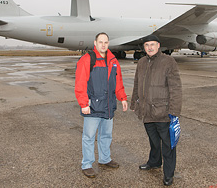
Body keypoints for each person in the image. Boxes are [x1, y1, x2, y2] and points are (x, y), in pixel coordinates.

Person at [130, 35, 182, 186]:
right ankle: (154, 162)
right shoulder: (141, 62)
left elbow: (175, 87)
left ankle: (168, 173)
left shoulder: (168, 61)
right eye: (147, 45)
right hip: (146, 111)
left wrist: (174, 110)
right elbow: (136, 84)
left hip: (163, 112)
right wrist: (134, 103)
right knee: (153, 141)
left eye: (152, 44)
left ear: (158, 45)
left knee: (168, 145)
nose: (150, 47)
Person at [75, 32, 128, 178]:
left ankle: (105, 159)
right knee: (89, 136)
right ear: (95, 43)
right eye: (100, 42)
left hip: (109, 105)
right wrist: (83, 103)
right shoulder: (87, 60)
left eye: (105, 42)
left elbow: (118, 82)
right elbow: (80, 84)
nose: (103, 45)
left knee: (106, 135)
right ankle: (87, 164)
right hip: (93, 106)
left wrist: (122, 98)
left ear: (108, 43)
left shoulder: (113, 61)